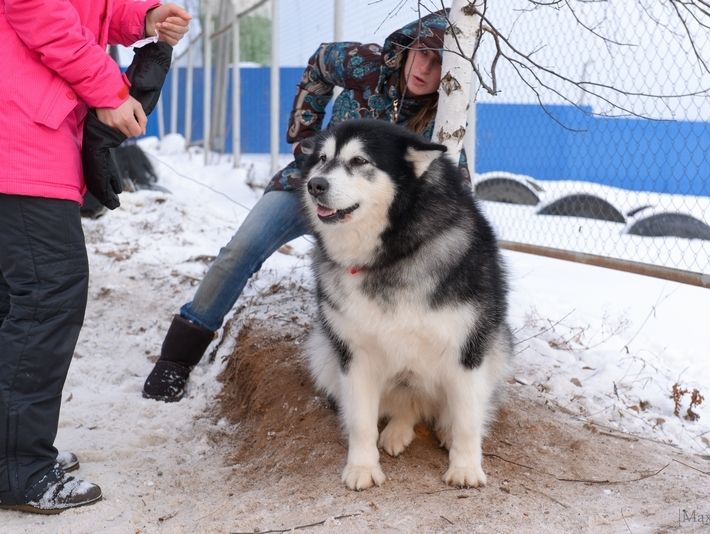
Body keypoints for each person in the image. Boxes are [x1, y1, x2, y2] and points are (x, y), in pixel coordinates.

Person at [143, 10, 470, 403]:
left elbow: (452, 183)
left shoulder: (445, 117)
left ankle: (385, 378)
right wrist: (305, 134)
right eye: (422, 53)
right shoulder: (365, 65)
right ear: (408, 47)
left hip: (369, 220)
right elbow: (319, 62)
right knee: (241, 250)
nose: (425, 68)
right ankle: (176, 361)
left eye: (439, 63)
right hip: (308, 185)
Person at [0, 0, 190, 514]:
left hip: (24, 134)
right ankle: (18, 469)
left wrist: (141, 18)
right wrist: (107, 90)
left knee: (15, 306)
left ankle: (8, 454)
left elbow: (80, 9)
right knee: (47, 299)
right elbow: (38, 9)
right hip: (20, 141)